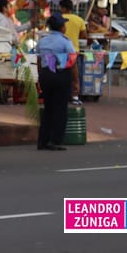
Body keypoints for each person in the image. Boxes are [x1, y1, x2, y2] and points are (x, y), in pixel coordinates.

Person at [36, 14, 78, 151]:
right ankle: (55, 140)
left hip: (46, 75)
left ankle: (43, 141)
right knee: (60, 109)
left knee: (48, 108)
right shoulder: (66, 42)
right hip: (61, 75)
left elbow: (39, 61)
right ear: (62, 28)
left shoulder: (42, 41)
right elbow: (72, 63)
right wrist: (76, 81)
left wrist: (41, 76)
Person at [59, 0, 88, 101]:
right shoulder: (79, 20)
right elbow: (84, 36)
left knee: (59, 73)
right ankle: (75, 96)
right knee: (74, 75)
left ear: (63, 8)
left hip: (59, 51)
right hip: (73, 51)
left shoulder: (58, 19)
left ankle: (61, 95)